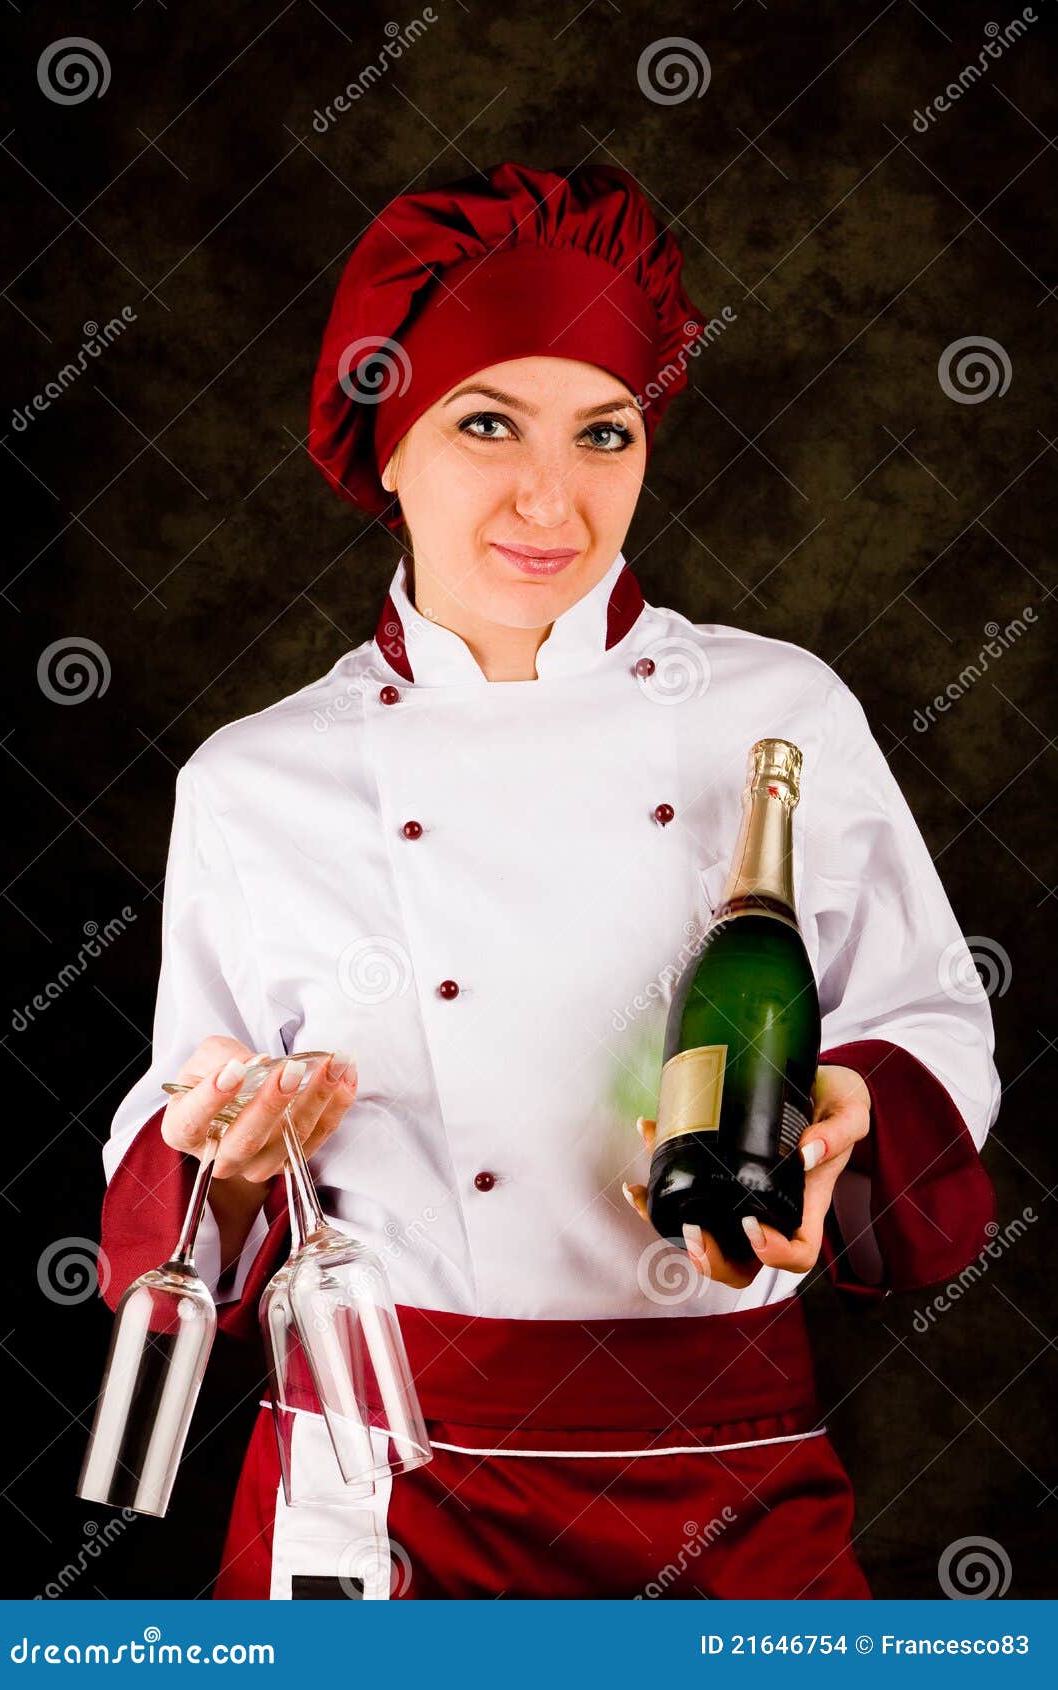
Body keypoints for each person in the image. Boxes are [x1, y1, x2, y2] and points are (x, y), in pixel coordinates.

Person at [96, 160, 1000, 1601]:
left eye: (604, 432)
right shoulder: (254, 782)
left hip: (723, 1461)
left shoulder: (777, 712)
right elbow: (180, 1171)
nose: (551, 496)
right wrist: (227, 1144)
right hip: (377, 1470)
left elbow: (934, 1017)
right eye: (485, 422)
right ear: (386, 443)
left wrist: (854, 1113)